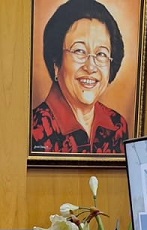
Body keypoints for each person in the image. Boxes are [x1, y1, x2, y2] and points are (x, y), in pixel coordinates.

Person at [30, 0, 129, 155]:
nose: (90, 67)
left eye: (101, 54)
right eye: (79, 51)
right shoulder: (35, 128)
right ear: (56, 62)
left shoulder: (117, 125)